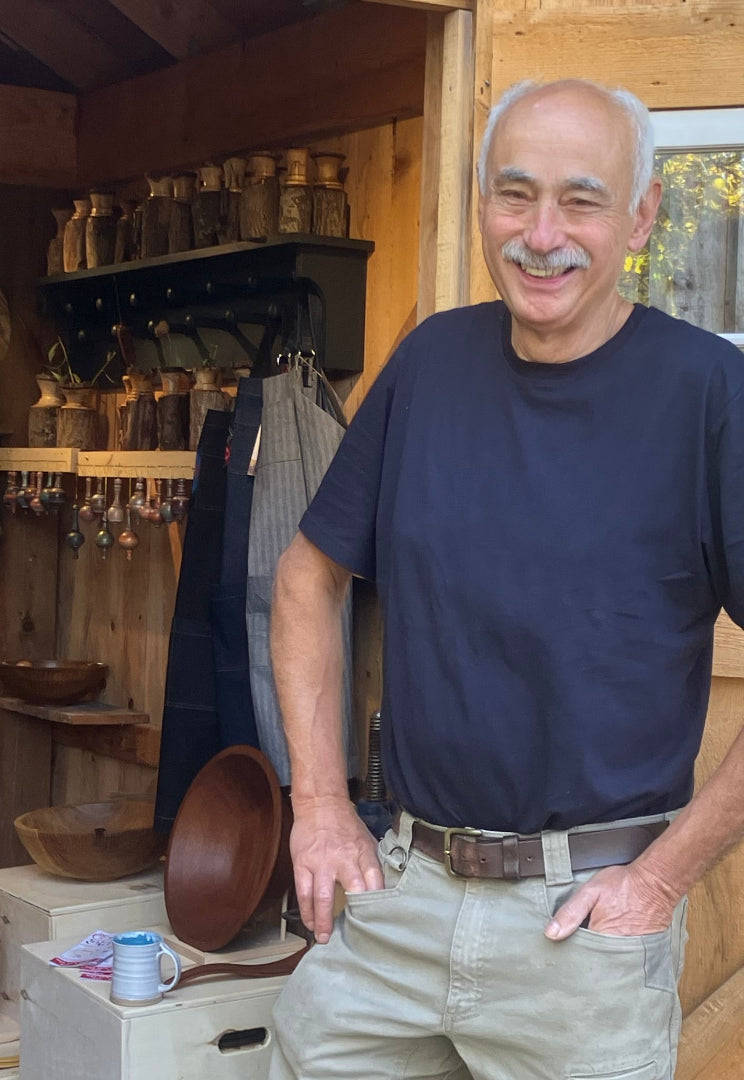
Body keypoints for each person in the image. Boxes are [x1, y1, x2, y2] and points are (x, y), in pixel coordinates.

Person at [268, 78, 744, 1080]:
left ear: (643, 216)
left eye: (583, 199)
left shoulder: (710, 395)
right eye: (514, 194)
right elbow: (308, 579)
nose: (542, 234)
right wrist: (317, 804)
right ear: (483, 201)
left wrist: (660, 882)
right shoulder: (430, 363)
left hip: (586, 929)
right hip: (400, 897)